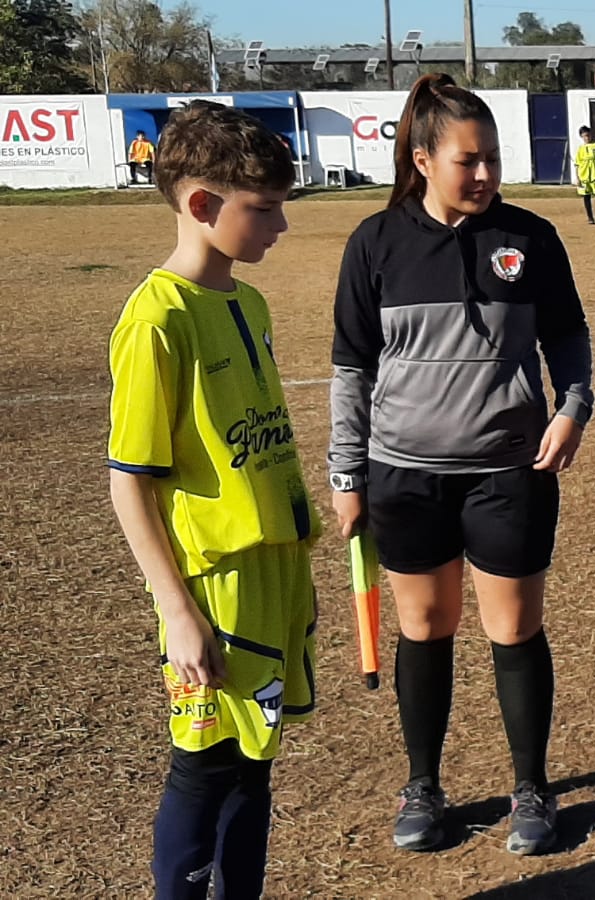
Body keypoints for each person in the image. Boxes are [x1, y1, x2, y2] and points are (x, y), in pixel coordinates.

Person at [326, 73, 594, 856]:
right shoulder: (375, 242)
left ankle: (531, 789)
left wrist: (573, 407)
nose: (484, 175)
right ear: (422, 160)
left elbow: (567, 336)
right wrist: (347, 475)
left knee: (514, 629)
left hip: (509, 471)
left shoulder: (530, 237)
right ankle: (423, 786)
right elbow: (352, 369)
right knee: (425, 627)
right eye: (467, 161)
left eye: (493, 159)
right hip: (404, 473)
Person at [106, 100, 315, 898]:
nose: (280, 226)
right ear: (201, 204)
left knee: (255, 761)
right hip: (212, 585)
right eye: (264, 209)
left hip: (273, 571)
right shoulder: (156, 319)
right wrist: (179, 611)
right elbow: (131, 479)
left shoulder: (248, 303)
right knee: (203, 765)